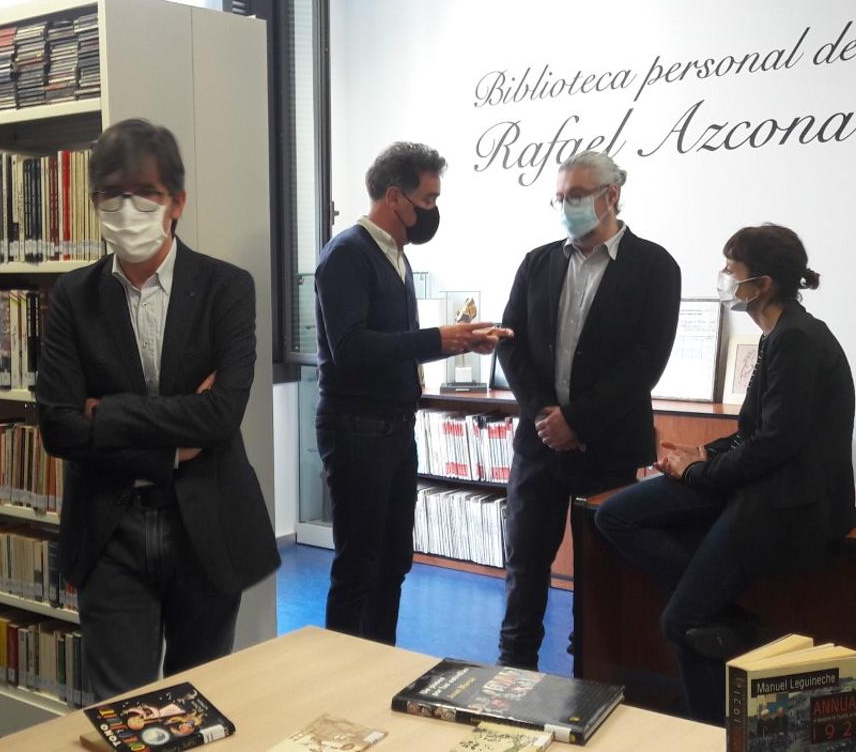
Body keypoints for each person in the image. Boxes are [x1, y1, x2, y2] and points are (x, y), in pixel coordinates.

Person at [35, 118, 279, 700]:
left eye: (146, 193)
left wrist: (108, 414)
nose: (129, 208)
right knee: (121, 711)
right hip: (109, 527)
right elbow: (59, 428)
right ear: (93, 202)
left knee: (199, 705)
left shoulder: (228, 287)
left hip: (207, 526)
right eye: (111, 194)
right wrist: (175, 435)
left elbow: (221, 414)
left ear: (177, 202)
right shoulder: (72, 296)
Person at [595, 224, 855, 724]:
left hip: (786, 505)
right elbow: (753, 433)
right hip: (762, 486)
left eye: (730, 271)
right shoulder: (780, 335)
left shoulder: (797, 340)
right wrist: (702, 452)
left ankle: (713, 732)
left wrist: (698, 472)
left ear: (763, 284)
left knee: (682, 621)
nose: (723, 279)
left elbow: (773, 446)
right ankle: (727, 611)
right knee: (615, 516)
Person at [314, 142, 509, 645]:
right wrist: (439, 338)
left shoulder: (394, 256)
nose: (433, 211)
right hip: (358, 429)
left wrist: (460, 342)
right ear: (395, 196)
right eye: (427, 199)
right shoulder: (347, 255)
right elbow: (351, 348)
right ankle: (343, 673)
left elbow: (396, 348)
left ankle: (379, 664)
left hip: (395, 428)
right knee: (359, 563)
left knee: (394, 560)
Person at [496, 150, 681, 670]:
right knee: (525, 563)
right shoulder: (538, 262)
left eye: (574, 197)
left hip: (609, 449)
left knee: (601, 572)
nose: (565, 207)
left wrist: (577, 421)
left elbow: (647, 361)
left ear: (611, 196)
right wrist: (545, 415)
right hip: (539, 446)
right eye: (559, 198)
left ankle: (593, 672)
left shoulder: (655, 266)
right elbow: (510, 344)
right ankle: (515, 670)